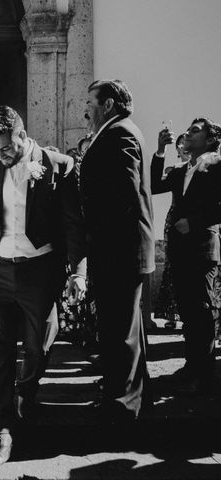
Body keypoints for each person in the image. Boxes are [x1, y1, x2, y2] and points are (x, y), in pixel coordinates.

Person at [0, 106, 86, 470]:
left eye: (6, 149)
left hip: (40, 271)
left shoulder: (59, 166)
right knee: (0, 353)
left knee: (40, 342)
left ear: (21, 134)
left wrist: (79, 273)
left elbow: (73, 224)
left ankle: (26, 393)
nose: (0, 156)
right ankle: (2, 430)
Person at [80, 79, 154, 424]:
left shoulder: (119, 133)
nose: (86, 109)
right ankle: (135, 395)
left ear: (108, 104)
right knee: (128, 327)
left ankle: (122, 408)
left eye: (91, 101)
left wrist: (93, 228)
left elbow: (123, 193)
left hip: (118, 249)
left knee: (119, 330)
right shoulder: (121, 130)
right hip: (123, 248)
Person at [151, 118, 221, 395]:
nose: (188, 134)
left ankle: (205, 375)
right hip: (180, 251)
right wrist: (159, 150)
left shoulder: (216, 165)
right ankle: (191, 367)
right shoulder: (182, 169)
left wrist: (194, 222)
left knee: (203, 312)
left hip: (203, 248)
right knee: (189, 313)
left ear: (210, 139)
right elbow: (155, 184)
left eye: (195, 131)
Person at [154, 132, 189, 329]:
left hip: (200, 227)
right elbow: (155, 184)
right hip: (175, 223)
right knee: (174, 267)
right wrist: (160, 151)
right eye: (180, 144)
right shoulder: (175, 170)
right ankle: (173, 314)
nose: (184, 146)